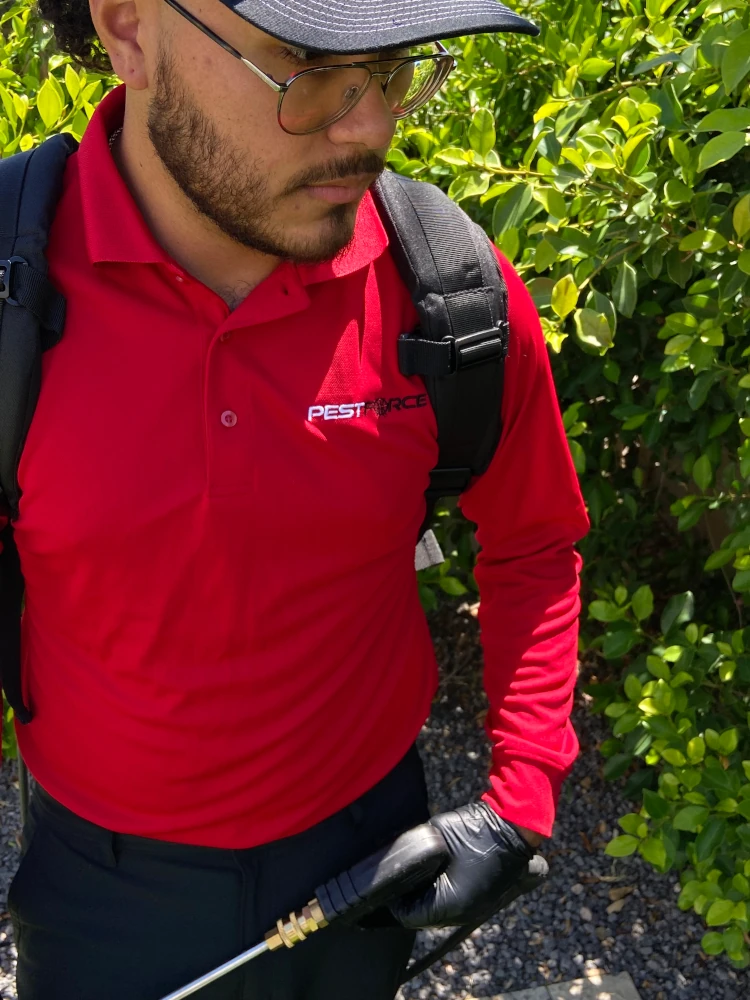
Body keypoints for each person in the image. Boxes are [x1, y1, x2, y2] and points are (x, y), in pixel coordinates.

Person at [1, 0, 589, 997]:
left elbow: (535, 542)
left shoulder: (448, 293)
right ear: (128, 29)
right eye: (307, 63)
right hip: (99, 883)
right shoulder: (15, 293)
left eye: (395, 65)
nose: (371, 126)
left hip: (368, 852)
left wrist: (522, 793)